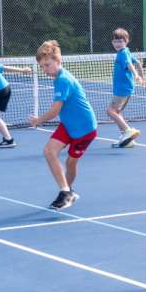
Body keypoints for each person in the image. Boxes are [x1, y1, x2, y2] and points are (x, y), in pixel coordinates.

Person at [28, 40, 98, 210]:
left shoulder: (63, 80)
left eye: (47, 65)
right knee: (49, 151)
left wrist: (38, 121)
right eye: (42, 66)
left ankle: (68, 192)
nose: (45, 69)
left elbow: (55, 110)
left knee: (70, 163)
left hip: (85, 129)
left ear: (58, 61)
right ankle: (66, 191)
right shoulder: (58, 77)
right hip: (68, 125)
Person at [105, 28, 146, 148]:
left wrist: (136, 75)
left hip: (121, 89)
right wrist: (142, 77)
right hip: (127, 88)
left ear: (126, 41)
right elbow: (137, 62)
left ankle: (128, 131)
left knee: (110, 111)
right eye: (115, 41)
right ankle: (127, 139)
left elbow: (129, 65)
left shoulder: (122, 54)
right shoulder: (127, 51)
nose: (117, 44)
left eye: (120, 41)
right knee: (117, 112)